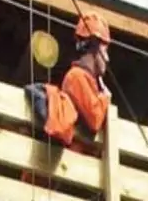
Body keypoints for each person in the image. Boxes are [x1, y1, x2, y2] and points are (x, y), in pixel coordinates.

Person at [27, 12, 113, 152]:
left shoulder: (87, 81)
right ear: (95, 46)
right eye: (105, 50)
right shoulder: (76, 77)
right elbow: (95, 119)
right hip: (70, 162)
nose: (107, 58)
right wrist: (105, 98)